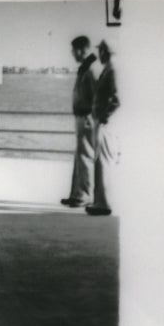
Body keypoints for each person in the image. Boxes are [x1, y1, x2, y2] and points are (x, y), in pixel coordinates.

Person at [61, 36, 99, 207]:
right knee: (79, 156)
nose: (72, 54)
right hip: (81, 117)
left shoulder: (91, 69)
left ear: (81, 50)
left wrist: (93, 117)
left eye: (73, 50)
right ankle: (76, 193)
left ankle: (84, 195)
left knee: (85, 156)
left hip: (87, 118)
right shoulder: (85, 68)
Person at [87, 39, 120, 216]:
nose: (98, 54)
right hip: (100, 121)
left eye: (100, 51)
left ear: (105, 52)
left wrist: (104, 117)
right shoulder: (107, 71)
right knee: (100, 162)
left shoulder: (111, 72)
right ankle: (99, 201)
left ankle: (103, 204)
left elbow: (116, 100)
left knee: (103, 163)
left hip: (103, 123)